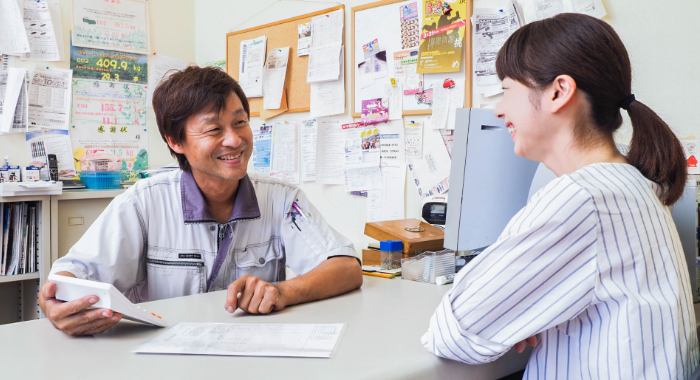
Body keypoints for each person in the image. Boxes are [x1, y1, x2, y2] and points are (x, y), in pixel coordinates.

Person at [422, 13, 699, 379]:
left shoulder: (581, 199)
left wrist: (510, 313)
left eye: (507, 89)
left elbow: (455, 331)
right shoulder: (632, 184)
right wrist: (525, 309)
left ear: (558, 92)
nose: (498, 109)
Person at [39, 66, 362, 336]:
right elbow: (70, 276)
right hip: (163, 355)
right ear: (175, 141)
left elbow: (345, 267)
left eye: (240, 122)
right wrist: (55, 304)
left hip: (252, 352)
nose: (234, 140)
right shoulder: (143, 202)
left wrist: (282, 291)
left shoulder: (280, 198)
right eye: (213, 129)